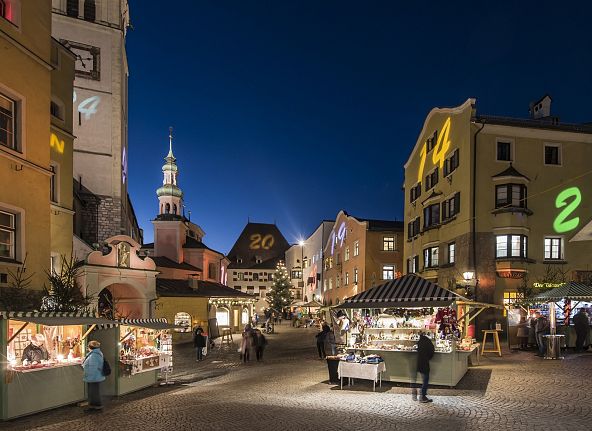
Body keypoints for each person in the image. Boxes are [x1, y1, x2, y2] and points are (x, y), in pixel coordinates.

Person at [82, 340, 105, 412]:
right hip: (95, 376)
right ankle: (95, 406)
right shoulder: (97, 354)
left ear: (90, 347)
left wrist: (87, 373)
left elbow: (92, 367)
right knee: (95, 392)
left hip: (93, 377)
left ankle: (95, 407)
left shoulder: (93, 355)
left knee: (93, 393)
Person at [414, 332, 435, 403]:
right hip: (425, 364)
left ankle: (423, 395)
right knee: (425, 380)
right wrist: (429, 357)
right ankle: (422, 396)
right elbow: (431, 351)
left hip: (419, 363)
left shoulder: (419, 342)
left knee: (424, 380)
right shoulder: (427, 342)